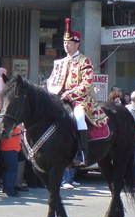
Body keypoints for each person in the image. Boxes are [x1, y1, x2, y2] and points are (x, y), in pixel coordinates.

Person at [46, 18, 107, 166]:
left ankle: (82, 152)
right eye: (65, 43)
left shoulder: (84, 61)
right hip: (60, 98)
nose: (66, 45)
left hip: (80, 100)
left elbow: (87, 83)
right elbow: (53, 80)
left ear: (77, 44)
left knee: (79, 117)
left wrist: (70, 94)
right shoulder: (60, 62)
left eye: (69, 43)